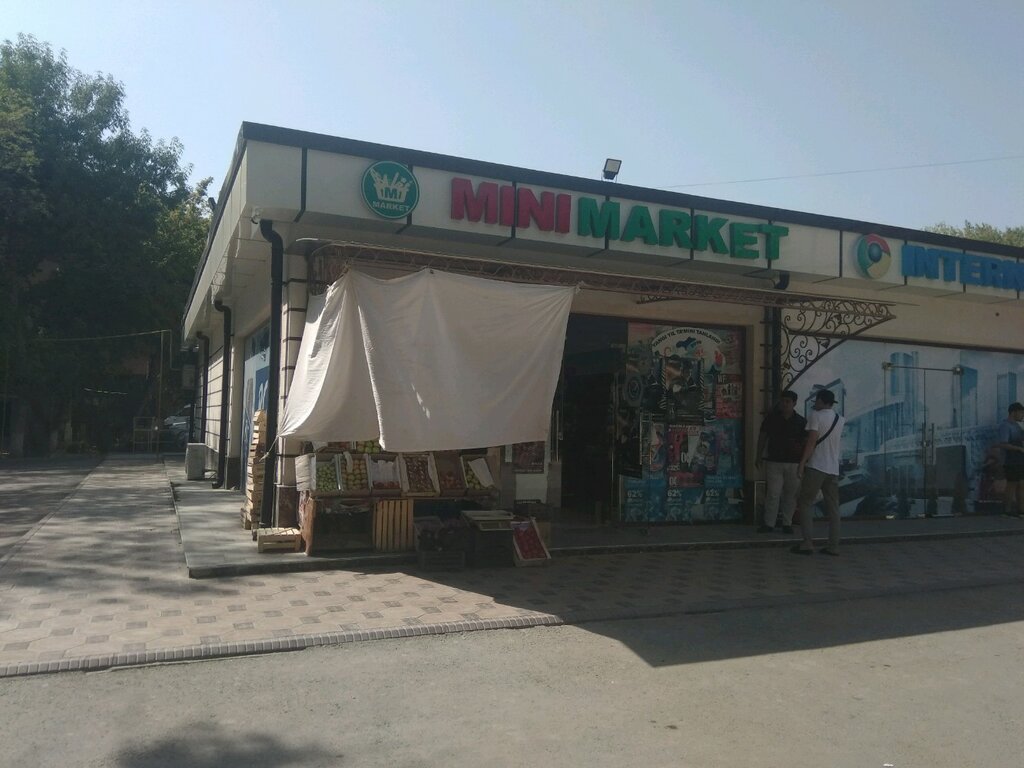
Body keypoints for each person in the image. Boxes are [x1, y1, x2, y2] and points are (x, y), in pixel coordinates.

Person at [790, 388, 846, 556]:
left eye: (817, 400)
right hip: (833, 469)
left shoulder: (816, 416)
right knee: (833, 508)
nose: (815, 403)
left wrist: (802, 463)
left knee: (805, 502)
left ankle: (807, 543)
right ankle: (833, 546)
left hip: (816, 466)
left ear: (821, 401)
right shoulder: (840, 419)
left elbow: (812, 442)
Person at [755, 390, 807, 533]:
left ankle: (787, 523)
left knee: (791, 494)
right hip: (774, 460)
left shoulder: (801, 421)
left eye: (788, 402)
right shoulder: (771, 418)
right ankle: (769, 523)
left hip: (794, 462)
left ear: (794, 403)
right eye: (783, 401)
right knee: (773, 492)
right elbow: (763, 436)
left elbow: (806, 442)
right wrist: (758, 455)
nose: (784, 404)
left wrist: (804, 461)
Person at [995, 402, 1024, 517]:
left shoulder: (1017, 426)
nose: (1022, 415)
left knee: (1022, 484)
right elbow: (1003, 444)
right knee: (1012, 484)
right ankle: (1006, 510)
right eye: (1021, 412)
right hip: (1010, 460)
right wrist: (1019, 449)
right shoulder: (1005, 426)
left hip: (1019, 460)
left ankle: (1021, 509)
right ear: (1014, 412)